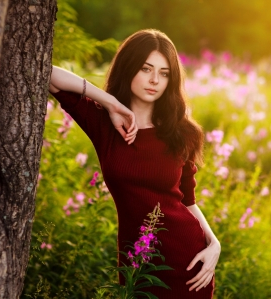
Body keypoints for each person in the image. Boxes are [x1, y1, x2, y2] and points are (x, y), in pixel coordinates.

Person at [48, 29, 221, 298]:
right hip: (136, 264)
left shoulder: (182, 132)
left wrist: (214, 243)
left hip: (188, 263)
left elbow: (187, 199)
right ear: (129, 68)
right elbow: (47, 73)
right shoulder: (105, 125)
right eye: (145, 68)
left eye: (164, 73)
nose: (154, 80)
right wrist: (110, 103)